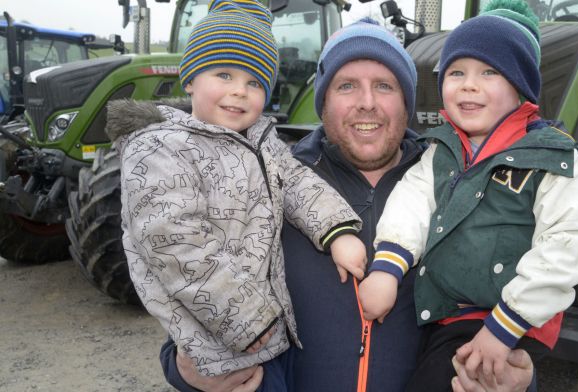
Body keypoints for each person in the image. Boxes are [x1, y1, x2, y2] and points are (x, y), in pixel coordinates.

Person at [158, 16, 538, 392]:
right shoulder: (268, 183)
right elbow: (194, 289)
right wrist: (184, 370)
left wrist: (520, 380)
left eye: (385, 86)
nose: (367, 103)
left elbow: (516, 305)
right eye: (347, 86)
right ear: (322, 101)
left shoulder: (462, 188)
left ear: (406, 102)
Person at [107, 0, 367, 390]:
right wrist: (245, 317)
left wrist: (337, 231)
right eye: (224, 75)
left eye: (255, 83)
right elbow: (176, 245)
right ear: (190, 77)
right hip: (223, 344)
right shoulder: (161, 149)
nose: (239, 93)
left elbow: (296, 182)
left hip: (269, 336)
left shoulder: (261, 141)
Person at [358, 0, 578, 390]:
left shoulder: (552, 157)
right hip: (447, 311)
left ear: (520, 87)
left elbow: (571, 242)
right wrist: (388, 266)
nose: (469, 83)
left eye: (490, 72)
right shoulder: (442, 151)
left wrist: (503, 327)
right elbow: (413, 201)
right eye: (456, 72)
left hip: (505, 316)